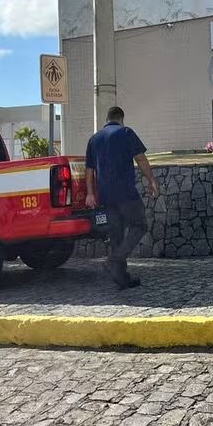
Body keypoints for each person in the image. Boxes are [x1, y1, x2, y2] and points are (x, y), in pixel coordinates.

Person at [85, 107, 159, 289]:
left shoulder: (94, 139)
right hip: (126, 193)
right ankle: (115, 259)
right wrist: (151, 180)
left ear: (107, 119)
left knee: (116, 234)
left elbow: (89, 170)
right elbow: (140, 158)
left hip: (105, 195)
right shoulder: (126, 132)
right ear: (121, 119)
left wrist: (90, 193)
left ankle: (121, 277)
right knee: (140, 225)